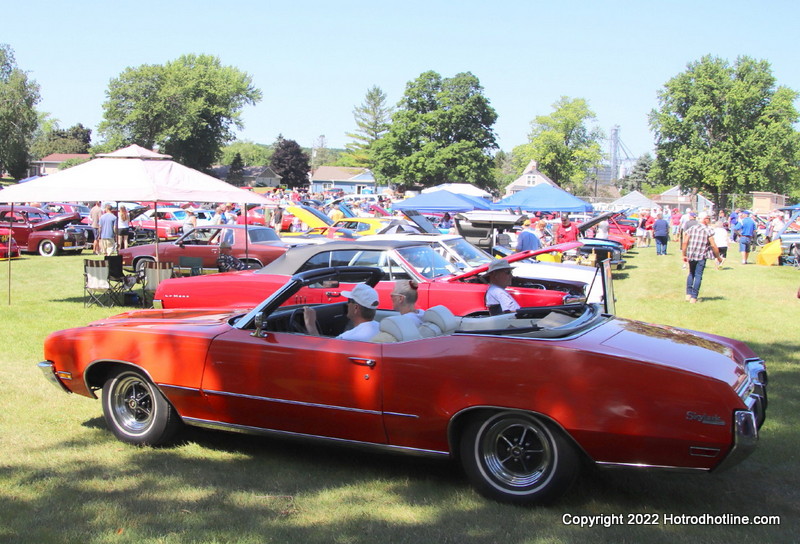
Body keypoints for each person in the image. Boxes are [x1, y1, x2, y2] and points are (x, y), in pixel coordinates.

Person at [304, 283, 380, 340]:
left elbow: (322, 352)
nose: (347, 304)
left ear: (356, 307)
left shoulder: (348, 338)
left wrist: (310, 325)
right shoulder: (381, 328)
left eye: (349, 301)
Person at [681, 212, 723, 304]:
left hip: (691, 254)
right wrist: (718, 257)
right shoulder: (708, 230)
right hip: (701, 256)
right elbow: (713, 245)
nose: (709, 220)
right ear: (704, 219)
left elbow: (685, 242)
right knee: (698, 275)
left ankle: (688, 295)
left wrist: (684, 254)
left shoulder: (692, 229)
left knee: (691, 273)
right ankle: (694, 297)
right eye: (708, 218)